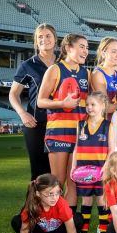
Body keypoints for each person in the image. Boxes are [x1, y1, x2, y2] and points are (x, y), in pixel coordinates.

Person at [37, 33, 90, 217]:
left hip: (79, 136)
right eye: (81, 46)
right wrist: (61, 104)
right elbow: (41, 101)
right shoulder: (55, 70)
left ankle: (65, 226)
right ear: (68, 48)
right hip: (58, 133)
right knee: (57, 183)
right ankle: (49, 221)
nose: (86, 51)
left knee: (74, 182)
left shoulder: (87, 73)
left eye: (87, 47)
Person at [9, 23, 56, 180]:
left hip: (61, 124)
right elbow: (13, 94)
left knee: (58, 173)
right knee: (39, 172)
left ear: (55, 39)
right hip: (37, 123)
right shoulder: (28, 65)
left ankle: (57, 205)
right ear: (36, 41)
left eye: (48, 35)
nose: (44, 39)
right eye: (40, 37)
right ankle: (33, 205)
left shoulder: (64, 63)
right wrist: (22, 113)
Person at [71, 91, 112, 233]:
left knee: (102, 201)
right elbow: (76, 147)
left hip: (101, 169)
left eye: (93, 104)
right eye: (87, 104)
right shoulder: (81, 124)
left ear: (102, 106)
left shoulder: (108, 125)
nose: (89, 107)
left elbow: (112, 149)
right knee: (86, 201)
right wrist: (74, 167)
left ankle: (103, 232)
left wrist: (106, 167)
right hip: (83, 170)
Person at [11, 173, 81, 233]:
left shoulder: (61, 203)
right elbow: (25, 230)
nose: (54, 197)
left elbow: (71, 228)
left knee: (77, 218)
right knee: (17, 221)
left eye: (57, 192)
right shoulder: (32, 206)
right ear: (38, 194)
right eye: (50, 194)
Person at [90, 37, 117, 117]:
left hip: (115, 123)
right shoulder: (98, 74)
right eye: (114, 51)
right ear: (103, 53)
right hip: (102, 125)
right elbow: (105, 107)